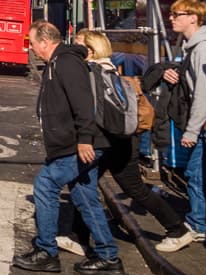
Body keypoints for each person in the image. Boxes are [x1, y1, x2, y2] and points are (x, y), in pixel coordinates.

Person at [61, 30, 188, 256]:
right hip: (122, 140)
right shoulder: (108, 68)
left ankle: (80, 238)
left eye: (79, 45)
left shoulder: (96, 71)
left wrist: (86, 138)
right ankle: (175, 228)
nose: (75, 49)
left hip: (112, 141)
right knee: (112, 186)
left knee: (87, 185)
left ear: (91, 50)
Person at [12, 21, 123, 275]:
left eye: (32, 43)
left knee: (45, 185)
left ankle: (46, 252)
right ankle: (108, 257)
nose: (31, 48)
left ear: (45, 42)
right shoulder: (58, 63)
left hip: (78, 145)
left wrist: (85, 138)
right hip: (72, 144)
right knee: (85, 197)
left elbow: (83, 103)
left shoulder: (66, 62)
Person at [149, 0, 206, 252]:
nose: (171, 18)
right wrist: (174, 73)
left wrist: (193, 130)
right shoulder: (195, 47)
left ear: (193, 17)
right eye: (170, 14)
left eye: (176, 14)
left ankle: (197, 225)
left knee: (197, 174)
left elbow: (205, 93)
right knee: (204, 174)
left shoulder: (204, 49)